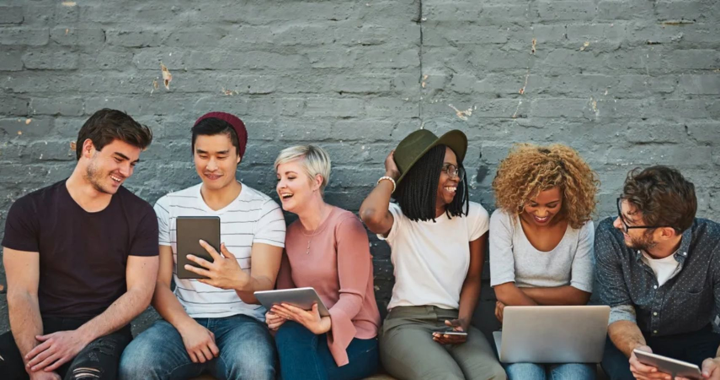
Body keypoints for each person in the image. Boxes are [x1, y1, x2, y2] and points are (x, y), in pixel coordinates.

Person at [119, 112, 286, 380]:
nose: (211, 165)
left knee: (254, 369)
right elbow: (158, 284)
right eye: (202, 155)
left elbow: (264, 287)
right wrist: (187, 326)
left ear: (238, 155)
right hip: (182, 318)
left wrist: (239, 280)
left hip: (242, 323)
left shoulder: (264, 210)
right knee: (136, 364)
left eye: (221, 156)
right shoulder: (169, 206)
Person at [0, 109, 158, 380]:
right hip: (38, 331)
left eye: (133, 163)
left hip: (102, 335)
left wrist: (79, 337)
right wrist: (36, 367)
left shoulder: (139, 214)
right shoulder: (29, 210)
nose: (127, 172)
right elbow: (21, 293)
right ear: (88, 148)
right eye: (119, 159)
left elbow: (140, 293)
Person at [359, 129, 506, 380]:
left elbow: (473, 278)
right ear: (424, 174)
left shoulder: (474, 216)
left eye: (456, 169)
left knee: (493, 376)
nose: (455, 177)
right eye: (446, 169)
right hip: (406, 325)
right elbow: (370, 215)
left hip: (453, 321)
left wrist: (463, 321)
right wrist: (391, 174)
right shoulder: (399, 218)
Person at [266, 145, 381, 380]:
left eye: (291, 177)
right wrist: (278, 314)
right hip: (308, 332)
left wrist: (325, 324)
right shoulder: (289, 234)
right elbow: (287, 295)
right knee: (289, 335)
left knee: (298, 370)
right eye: (279, 178)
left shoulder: (345, 225)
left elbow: (353, 298)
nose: (281, 186)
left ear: (316, 181)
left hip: (355, 337)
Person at [595, 166, 720, 380]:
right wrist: (638, 351)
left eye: (629, 222)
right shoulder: (610, 236)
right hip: (632, 336)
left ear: (665, 233)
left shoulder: (713, 243)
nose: (617, 224)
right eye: (620, 214)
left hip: (695, 339)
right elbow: (619, 309)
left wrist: (718, 362)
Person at [489, 143, 599, 380]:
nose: (541, 213)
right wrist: (547, 319)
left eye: (552, 205)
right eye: (532, 204)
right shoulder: (504, 220)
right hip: (520, 333)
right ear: (519, 196)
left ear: (567, 197)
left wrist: (519, 295)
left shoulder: (581, 224)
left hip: (567, 333)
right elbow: (501, 290)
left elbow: (580, 294)